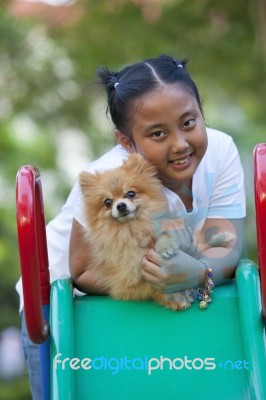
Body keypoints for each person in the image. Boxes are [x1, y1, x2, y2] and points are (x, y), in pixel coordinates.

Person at [16, 54, 246, 398]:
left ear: (201, 111)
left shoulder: (221, 150)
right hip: (62, 305)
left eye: (188, 122)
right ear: (125, 141)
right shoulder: (109, 179)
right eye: (158, 133)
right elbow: (82, 271)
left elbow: (224, 240)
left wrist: (199, 273)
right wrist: (150, 282)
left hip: (157, 296)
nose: (180, 143)